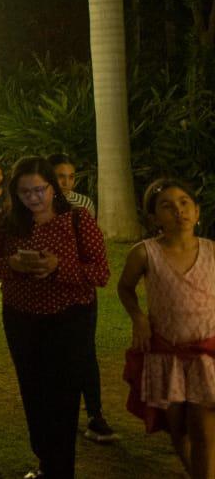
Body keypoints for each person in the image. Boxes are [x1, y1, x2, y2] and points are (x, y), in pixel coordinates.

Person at [0, 156, 110, 479]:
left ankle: (59, 469)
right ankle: (45, 462)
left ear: (53, 188)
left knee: (63, 398)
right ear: (15, 193)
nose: (34, 198)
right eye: (25, 192)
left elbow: (101, 272)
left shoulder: (77, 220)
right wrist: (12, 265)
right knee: (33, 392)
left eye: (40, 190)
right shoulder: (6, 220)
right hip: (22, 319)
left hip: (69, 319)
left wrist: (58, 268)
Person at [119, 178, 215, 478]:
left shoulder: (213, 252)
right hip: (166, 354)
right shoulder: (144, 253)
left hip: (205, 355)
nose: (179, 211)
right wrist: (138, 317)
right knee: (178, 429)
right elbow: (125, 288)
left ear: (197, 212)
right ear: (153, 217)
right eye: (167, 206)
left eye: (185, 203)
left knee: (203, 431)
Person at [47, 152, 117, 444]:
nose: (66, 182)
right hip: (48, 291)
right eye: (60, 176)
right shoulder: (38, 202)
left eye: (70, 176)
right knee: (52, 353)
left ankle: (94, 413)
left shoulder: (83, 204)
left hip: (79, 287)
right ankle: (59, 413)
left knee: (85, 352)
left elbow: (92, 247)